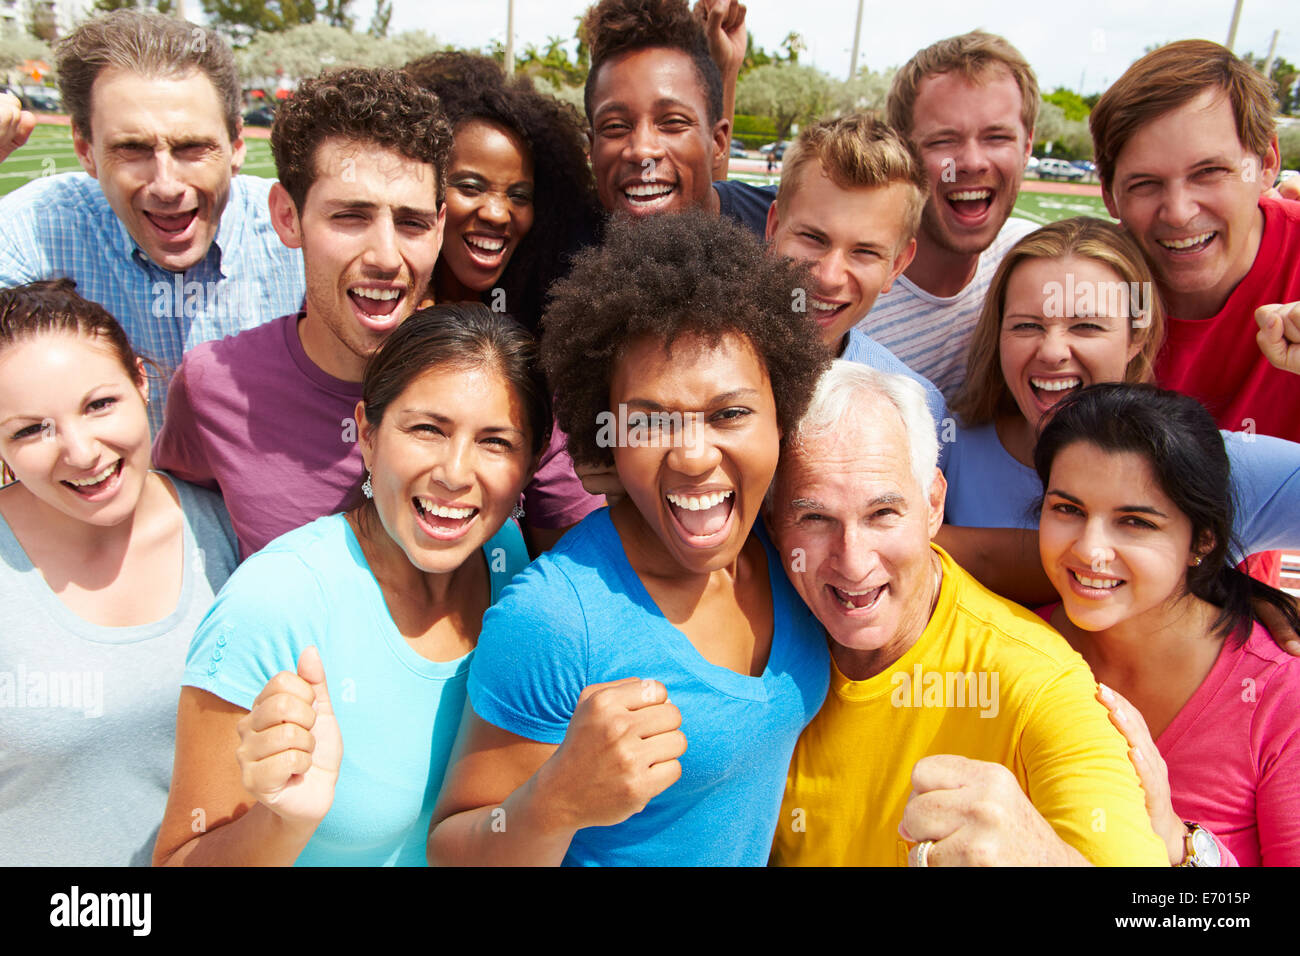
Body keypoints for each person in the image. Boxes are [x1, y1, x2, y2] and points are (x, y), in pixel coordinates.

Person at [427, 209, 832, 866]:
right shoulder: (555, 618)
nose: (695, 456)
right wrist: (555, 800)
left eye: (730, 413)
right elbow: (452, 850)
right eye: (649, 423)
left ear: (781, 416)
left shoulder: (789, 554)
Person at [152, 305, 542, 866]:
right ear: (367, 434)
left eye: (495, 442)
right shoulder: (273, 603)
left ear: (529, 464)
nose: (456, 473)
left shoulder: (506, 555)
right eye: (428, 429)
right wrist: (283, 822)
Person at [766, 361, 1167, 866]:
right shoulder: (748, 635)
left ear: (933, 504)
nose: (853, 559)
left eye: (883, 513)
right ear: (773, 521)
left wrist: (1042, 859)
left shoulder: (1039, 684)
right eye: (815, 517)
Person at [150, 68, 450, 560]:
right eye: (349, 217)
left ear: (439, 229)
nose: (386, 256)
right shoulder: (211, 388)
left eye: (411, 222)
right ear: (288, 217)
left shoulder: (494, 386)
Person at [0, 279, 239, 866]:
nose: (81, 452)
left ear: (141, 381)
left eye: (98, 404)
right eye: (31, 430)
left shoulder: (233, 531)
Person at [1034, 383, 1300, 866]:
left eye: (1135, 522)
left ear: (1202, 540)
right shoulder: (1013, 649)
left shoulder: (1281, 699)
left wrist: (1176, 840)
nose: (1090, 550)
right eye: (1068, 510)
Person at [0, 11, 304, 429]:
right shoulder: (34, 229)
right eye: (133, 149)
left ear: (236, 145)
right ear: (85, 149)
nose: (166, 186)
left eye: (192, 147)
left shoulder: (298, 235)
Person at [946, 217, 1300, 570]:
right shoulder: (944, 449)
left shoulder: (1209, 465)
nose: (1052, 351)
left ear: (1136, 338)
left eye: (1086, 326)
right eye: (1026, 326)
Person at [403, 52, 605, 552]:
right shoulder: (379, 314)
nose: (497, 212)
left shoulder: (540, 338)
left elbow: (563, 530)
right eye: (471, 186)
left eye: (519, 194)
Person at [1091, 40, 1300, 446]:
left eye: (1209, 172)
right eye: (1145, 183)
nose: (1179, 212)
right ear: (1110, 195)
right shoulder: (1084, 290)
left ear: (1267, 163)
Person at [854, 30, 1041, 398]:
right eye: (943, 140)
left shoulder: (1032, 260)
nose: (971, 162)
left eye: (997, 138)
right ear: (903, 151)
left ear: (1027, 146)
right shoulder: (847, 298)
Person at [765, 112, 947, 428]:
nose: (829, 277)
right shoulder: (689, 360)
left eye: (864, 252)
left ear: (898, 265)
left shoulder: (917, 411)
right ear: (774, 227)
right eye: (813, 238)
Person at [580, 0, 769, 234]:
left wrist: (726, 72)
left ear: (719, 143)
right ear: (592, 148)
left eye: (673, 122)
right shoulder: (558, 249)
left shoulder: (782, 227)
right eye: (616, 126)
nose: (643, 151)